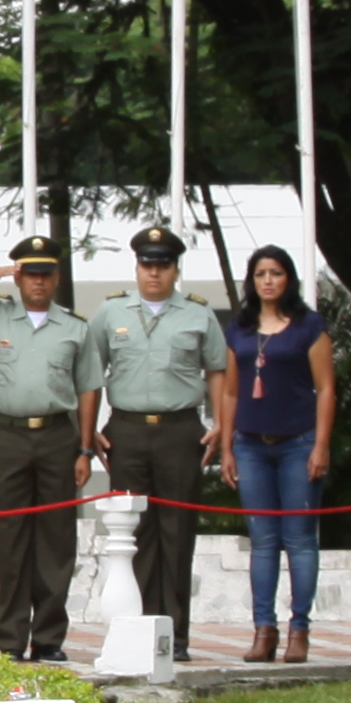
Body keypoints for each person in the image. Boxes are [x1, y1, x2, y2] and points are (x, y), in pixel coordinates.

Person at [0, 238, 105, 661]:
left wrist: (85, 450)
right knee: (11, 539)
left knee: (56, 540)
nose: (38, 282)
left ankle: (48, 640)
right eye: (29, 274)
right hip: (9, 436)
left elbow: (88, 389)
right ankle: (11, 640)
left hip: (57, 438)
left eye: (45, 274)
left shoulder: (75, 327)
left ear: (56, 279)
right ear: (18, 277)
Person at [94, 226, 232, 664]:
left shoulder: (197, 315)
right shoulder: (111, 311)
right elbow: (88, 373)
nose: (154, 273)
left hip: (179, 430)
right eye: (147, 265)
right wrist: (91, 428)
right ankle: (134, 628)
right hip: (128, 431)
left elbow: (217, 371)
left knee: (177, 532)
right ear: (136, 268)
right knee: (132, 533)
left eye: (163, 265)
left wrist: (220, 425)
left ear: (175, 270)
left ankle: (175, 635)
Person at [221, 246, 335, 662]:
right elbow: (230, 391)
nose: (268, 281)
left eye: (276, 273)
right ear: (251, 281)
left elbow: (325, 389)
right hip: (251, 444)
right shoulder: (239, 329)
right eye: (260, 274)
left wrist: (320, 445)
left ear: (288, 279)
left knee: (300, 541)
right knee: (263, 542)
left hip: (298, 442)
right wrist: (227, 447)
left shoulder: (309, 327)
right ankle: (263, 629)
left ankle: (299, 630)